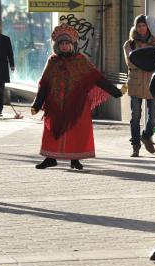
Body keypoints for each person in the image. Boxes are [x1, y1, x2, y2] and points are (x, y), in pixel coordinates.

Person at [31, 23, 122, 170]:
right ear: (57, 46)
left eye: (67, 43)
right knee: (52, 131)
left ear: (72, 44)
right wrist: (36, 104)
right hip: (55, 105)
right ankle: (50, 158)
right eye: (62, 44)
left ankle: (75, 160)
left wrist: (115, 91)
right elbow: (44, 83)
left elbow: (96, 78)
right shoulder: (52, 61)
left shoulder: (80, 60)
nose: (65, 46)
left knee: (75, 131)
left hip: (77, 105)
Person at [123, 15, 155, 157]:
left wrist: (144, 60)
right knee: (135, 116)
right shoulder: (129, 44)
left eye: (143, 25)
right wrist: (149, 61)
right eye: (138, 26)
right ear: (135, 27)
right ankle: (135, 145)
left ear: (148, 27)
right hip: (136, 82)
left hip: (152, 82)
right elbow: (131, 63)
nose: (141, 28)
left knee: (153, 116)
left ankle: (147, 135)